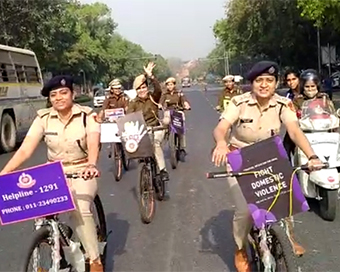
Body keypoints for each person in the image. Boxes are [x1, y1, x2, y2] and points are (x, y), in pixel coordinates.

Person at [211, 61, 323, 272]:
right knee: (245, 210)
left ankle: (288, 239)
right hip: (240, 157)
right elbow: (221, 128)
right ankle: (240, 248)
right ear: (252, 83)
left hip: (269, 157)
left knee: (284, 199)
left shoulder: (283, 104)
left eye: (269, 81)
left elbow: (294, 132)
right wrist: (221, 143)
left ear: (276, 83)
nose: (264, 85)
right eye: (259, 80)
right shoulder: (238, 102)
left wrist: (312, 156)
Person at [0, 75, 103, 272]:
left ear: (73, 94)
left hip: (82, 170)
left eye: (63, 93)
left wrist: (91, 164)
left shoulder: (87, 115)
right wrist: (4, 172)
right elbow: (25, 150)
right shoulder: (43, 118)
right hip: (53, 173)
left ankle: (94, 259)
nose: (58, 98)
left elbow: (92, 142)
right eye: (53, 95)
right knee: (37, 210)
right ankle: (48, 256)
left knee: (79, 209)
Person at [127, 62, 170, 185]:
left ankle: (162, 170)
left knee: (155, 145)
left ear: (147, 87)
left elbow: (158, 89)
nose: (142, 90)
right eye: (139, 88)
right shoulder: (133, 103)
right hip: (141, 132)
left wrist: (151, 76)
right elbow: (129, 117)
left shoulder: (153, 97)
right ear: (136, 90)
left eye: (144, 87)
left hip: (155, 129)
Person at [159, 77, 191, 158]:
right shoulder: (165, 94)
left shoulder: (179, 92)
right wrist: (160, 105)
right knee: (165, 122)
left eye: (171, 84)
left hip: (178, 111)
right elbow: (161, 102)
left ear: (174, 85)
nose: (169, 86)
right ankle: (166, 136)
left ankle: (182, 147)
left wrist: (186, 105)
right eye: (168, 85)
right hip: (169, 112)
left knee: (181, 125)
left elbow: (184, 100)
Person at [283, 69, 300, 160]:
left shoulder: (305, 92)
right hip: (292, 127)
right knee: (285, 151)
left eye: (294, 79)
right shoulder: (288, 95)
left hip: (306, 127)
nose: (291, 82)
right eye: (289, 80)